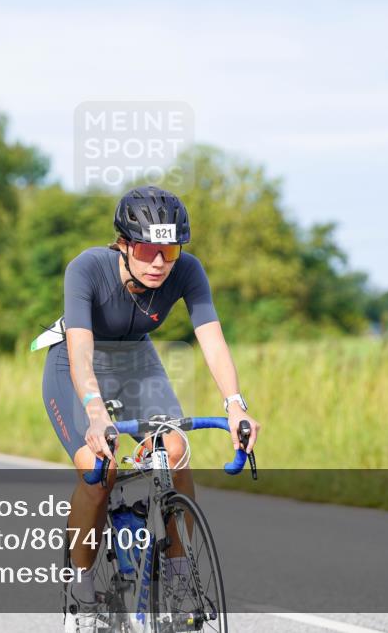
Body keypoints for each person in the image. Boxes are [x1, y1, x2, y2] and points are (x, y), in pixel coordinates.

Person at [39, 186, 261, 632]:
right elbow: (81, 352)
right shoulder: (86, 268)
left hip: (137, 360)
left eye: (170, 250)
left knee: (175, 450)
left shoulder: (187, 271)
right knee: (97, 471)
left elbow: (212, 340)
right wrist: (95, 413)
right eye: (146, 250)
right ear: (123, 244)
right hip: (76, 362)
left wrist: (236, 405)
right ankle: (82, 595)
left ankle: (179, 582)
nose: (159, 262)